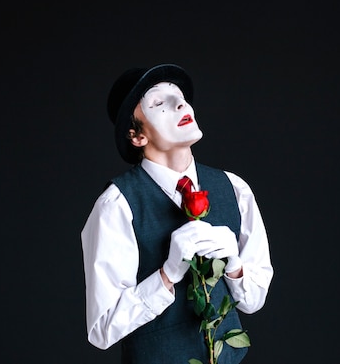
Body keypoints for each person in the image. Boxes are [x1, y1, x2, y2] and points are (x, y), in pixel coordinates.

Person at [81, 63, 273, 364]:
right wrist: (166, 275)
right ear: (137, 136)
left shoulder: (235, 189)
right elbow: (102, 329)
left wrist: (234, 266)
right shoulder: (116, 205)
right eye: (159, 103)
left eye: (180, 97)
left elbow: (253, 300)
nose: (180, 104)